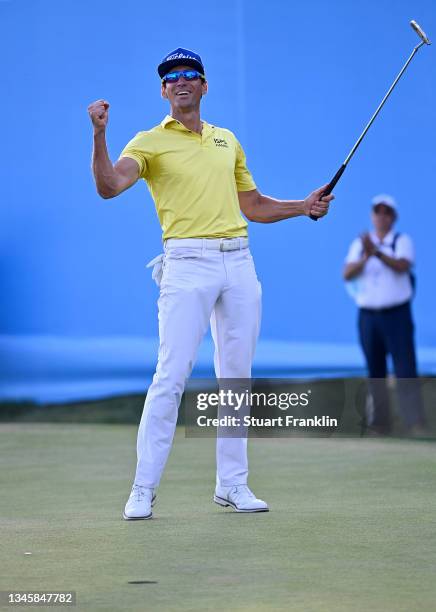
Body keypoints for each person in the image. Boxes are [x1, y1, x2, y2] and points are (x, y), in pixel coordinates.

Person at [88, 47, 333, 520]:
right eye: (172, 77)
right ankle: (143, 488)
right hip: (185, 264)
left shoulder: (227, 141)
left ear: (203, 85)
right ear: (163, 90)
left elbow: (254, 205)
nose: (181, 81)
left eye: (190, 75)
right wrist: (99, 135)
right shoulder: (148, 142)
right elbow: (109, 186)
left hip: (239, 263)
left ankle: (232, 485)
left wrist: (303, 206)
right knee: (171, 377)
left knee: (236, 378)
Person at [343, 194, 425, 435]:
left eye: (386, 212)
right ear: (372, 215)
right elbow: (347, 273)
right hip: (368, 317)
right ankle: (379, 425)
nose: (381, 216)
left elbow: (403, 265)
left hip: (396, 316)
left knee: (405, 369)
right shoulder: (360, 245)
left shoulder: (401, 240)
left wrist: (377, 253)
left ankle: (415, 424)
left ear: (393, 217)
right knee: (374, 370)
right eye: (377, 211)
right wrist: (367, 256)